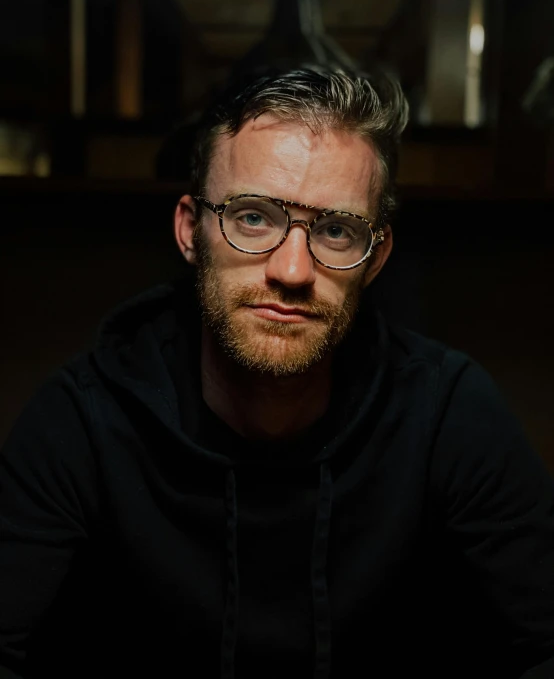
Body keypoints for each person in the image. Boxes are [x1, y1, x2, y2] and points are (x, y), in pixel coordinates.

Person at [1, 67, 553, 679]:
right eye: (253, 217)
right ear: (191, 231)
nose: (292, 270)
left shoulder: (446, 410)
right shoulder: (83, 418)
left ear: (376, 260)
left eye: (337, 230)